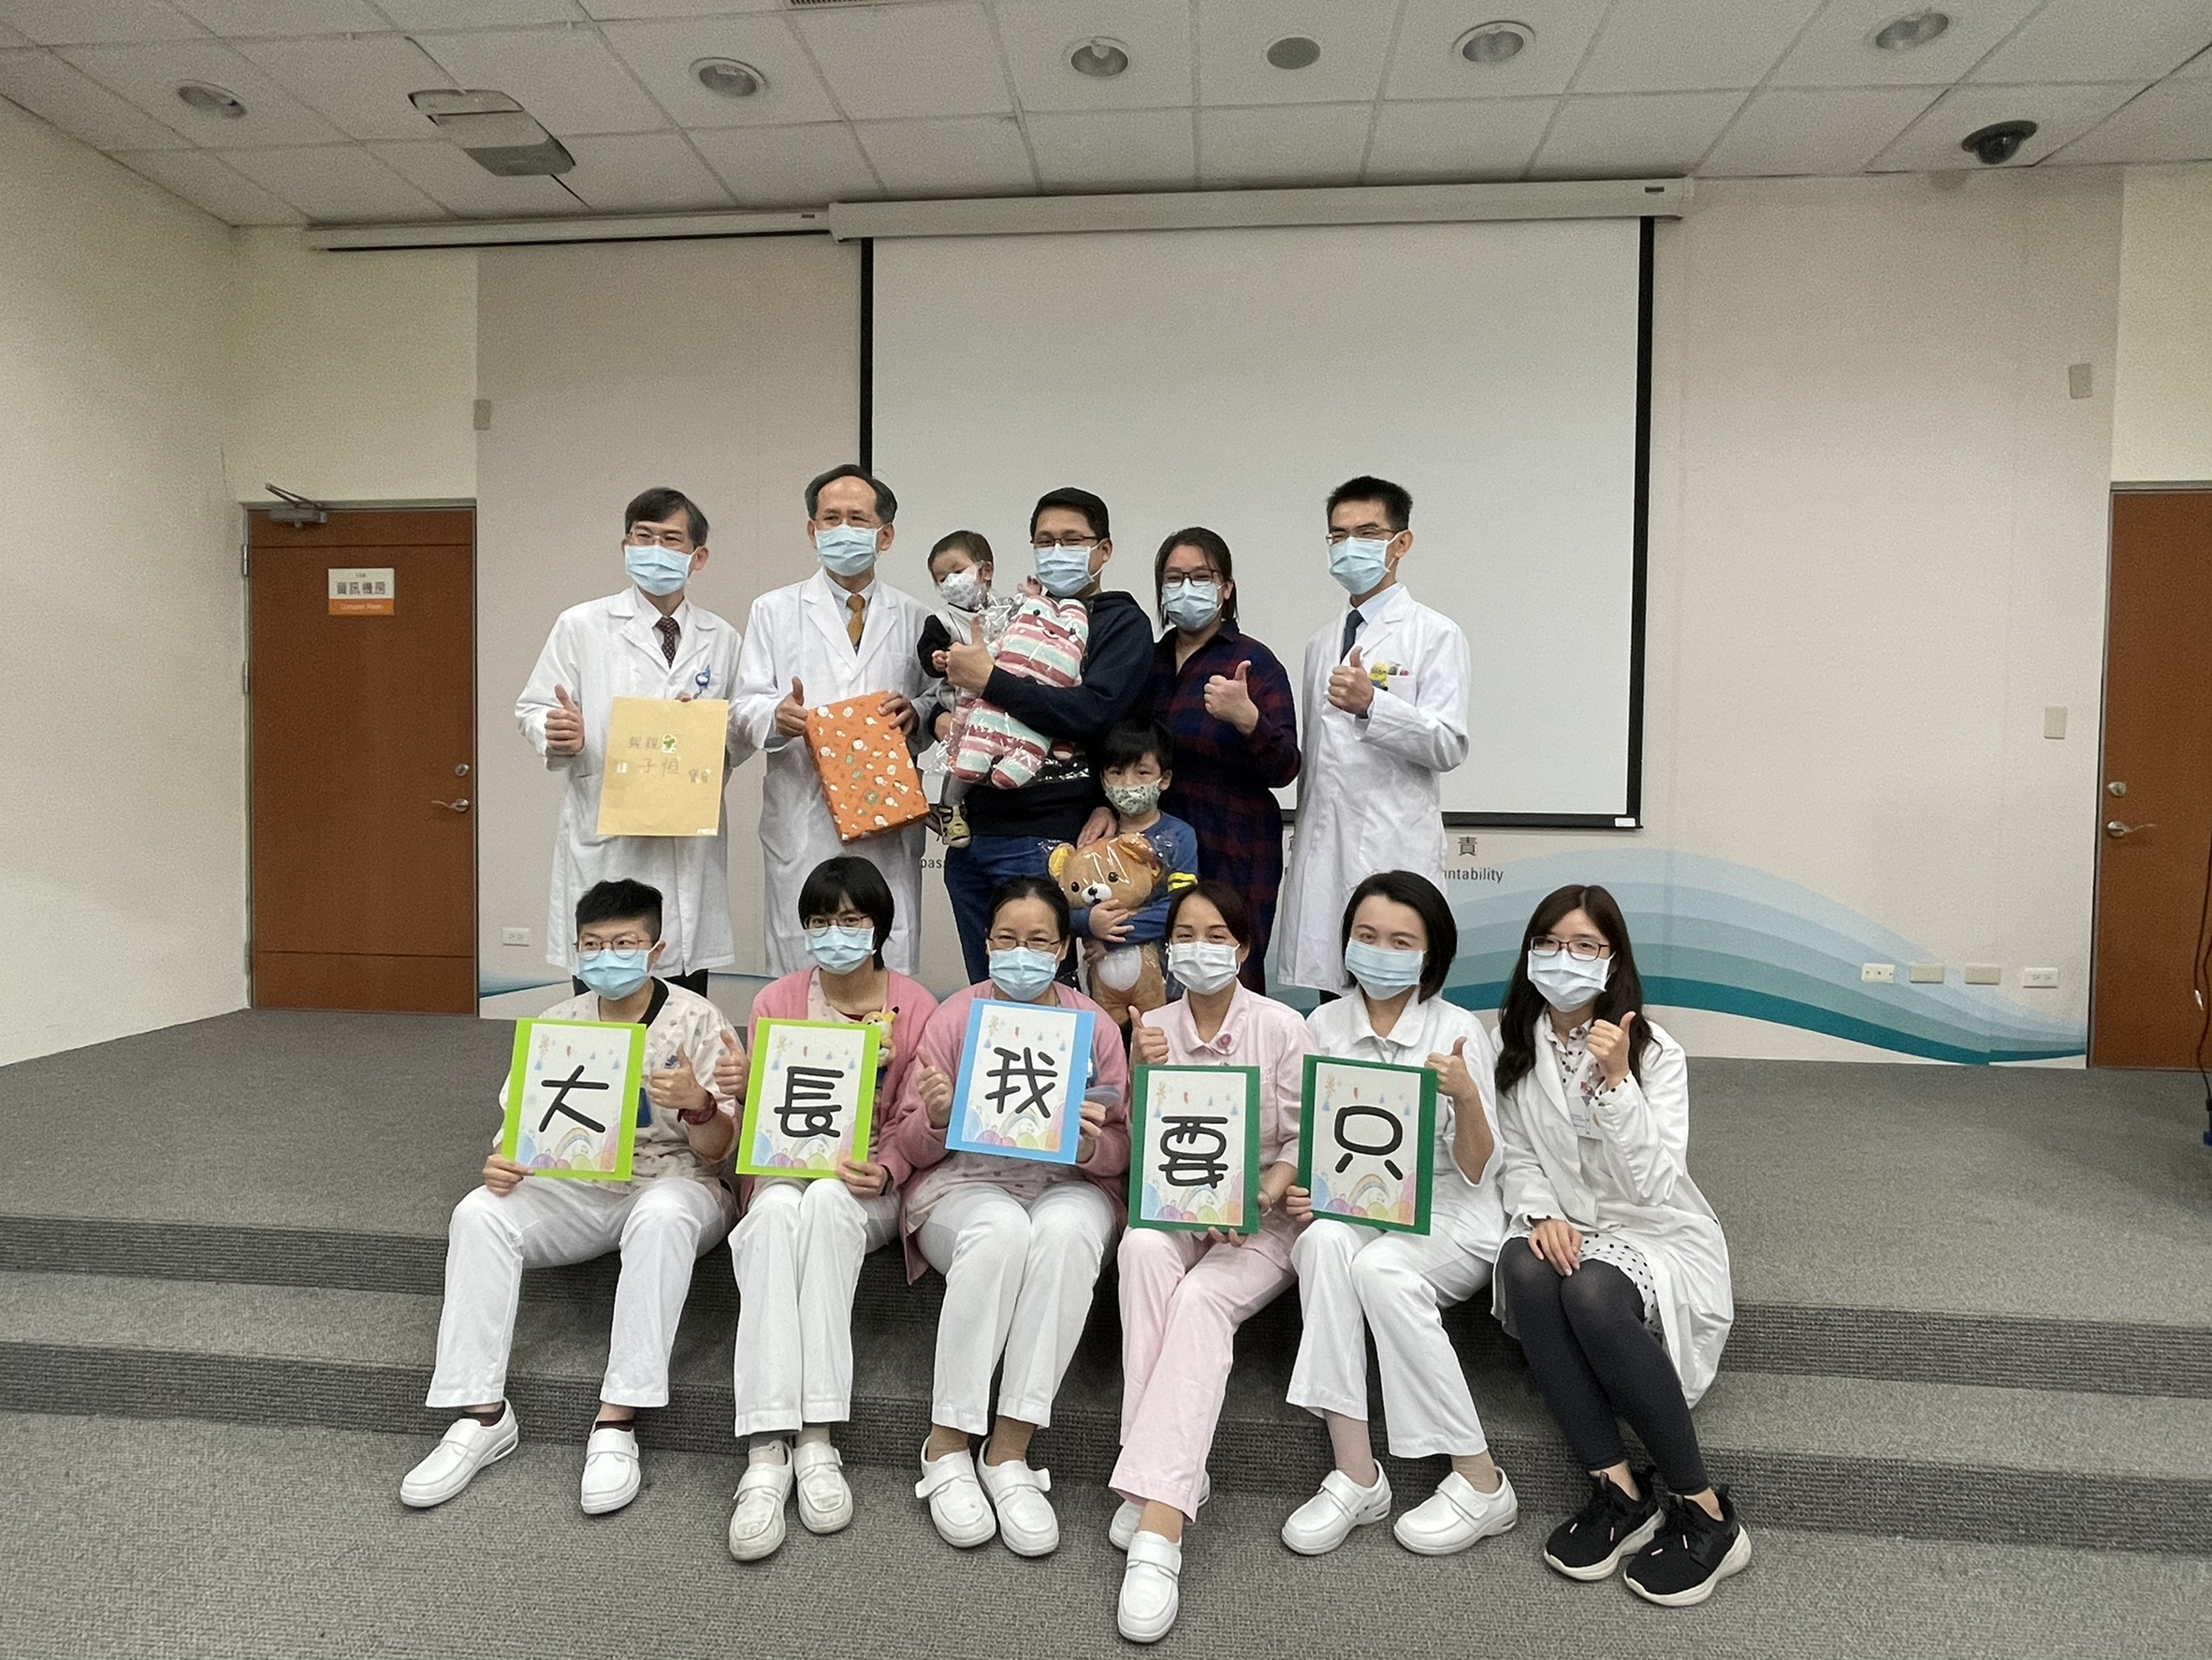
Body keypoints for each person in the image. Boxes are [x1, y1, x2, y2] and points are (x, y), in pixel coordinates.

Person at [402, 879, 737, 1517]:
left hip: (678, 1184)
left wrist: (697, 1104)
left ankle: (618, 1419)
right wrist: (504, 1166)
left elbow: (720, 1153)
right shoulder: (558, 1025)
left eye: (623, 944)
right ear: (576, 951)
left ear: (656, 949)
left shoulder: (697, 1020)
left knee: (663, 1216)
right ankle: (480, 1413)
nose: (606, 957)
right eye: (592, 945)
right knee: (478, 1212)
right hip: (578, 1190)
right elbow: (518, 1138)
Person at [1492, 884, 1747, 1607]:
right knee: (1523, 1265)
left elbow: (1654, 1183)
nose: (1562, 960)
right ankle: (1619, 1488)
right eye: (1548, 944)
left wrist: (1616, 1080)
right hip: (1569, 1220)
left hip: (1651, 1231)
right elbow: (1516, 1156)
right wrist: (1540, 1212)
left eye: (1584, 947)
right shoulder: (1510, 1039)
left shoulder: (1656, 1052)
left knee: (1593, 1291)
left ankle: (1706, 1511)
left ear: (1612, 961)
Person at [883, 875, 1131, 1556]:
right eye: (1006, 939)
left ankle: (1011, 1451)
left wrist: (1090, 1143)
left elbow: (1122, 1150)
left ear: (1062, 950)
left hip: (1064, 1185)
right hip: (963, 1187)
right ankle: (948, 1444)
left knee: (1067, 1229)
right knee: (1000, 1229)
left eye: (1039, 941)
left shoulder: (1096, 1026)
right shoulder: (956, 1016)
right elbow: (909, 1144)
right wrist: (935, 1119)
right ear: (987, 943)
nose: (1022, 952)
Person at [1280, 871, 1519, 1558]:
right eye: (1366, 936)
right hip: (1358, 1204)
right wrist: (1303, 1185)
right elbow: (1307, 1140)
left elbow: (1481, 1168)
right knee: (1323, 1241)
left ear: (1430, 953)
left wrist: (1468, 1098)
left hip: (1452, 1211)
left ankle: (1481, 1480)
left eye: (1400, 940)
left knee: (1384, 1271)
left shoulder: (1457, 1028)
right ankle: (1356, 1473)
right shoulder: (1321, 1025)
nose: (1380, 951)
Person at [717, 856, 939, 1562]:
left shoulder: (917, 1003)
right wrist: (745, 1087)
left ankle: (815, 1438)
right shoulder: (776, 999)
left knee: (826, 1211)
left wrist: (890, 1166)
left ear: (879, 928)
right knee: (777, 1217)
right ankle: (764, 1447)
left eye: (851, 921)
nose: (835, 934)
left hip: (864, 1183)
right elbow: (762, 1117)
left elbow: (914, 1116)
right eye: (820, 921)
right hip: (786, 1175)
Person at [1110, 882, 1312, 1643]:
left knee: (1200, 1301)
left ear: (1244, 948)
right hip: (1179, 1211)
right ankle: (1170, 1469)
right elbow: (1140, 1147)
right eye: (1184, 934)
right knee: (1138, 1249)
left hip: (1262, 1222)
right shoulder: (1152, 1024)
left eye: (1216, 934)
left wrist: (1260, 1190)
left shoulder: (1284, 1027)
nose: (1199, 947)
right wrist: (1138, 1070)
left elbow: (1304, 1142)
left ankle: (1158, 1528)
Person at [517, 488, 751, 996]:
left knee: (683, 1004)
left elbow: (741, 730)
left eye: (671, 539)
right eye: (644, 537)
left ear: (698, 557)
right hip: (608, 837)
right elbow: (533, 708)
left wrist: (709, 733)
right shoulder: (581, 625)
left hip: (687, 841)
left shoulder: (722, 638)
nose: (656, 550)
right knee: (607, 986)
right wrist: (556, 732)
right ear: (625, 546)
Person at [935, 488, 1155, 983]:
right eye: (1045, 540)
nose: (1058, 551)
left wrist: (990, 679)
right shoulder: (1015, 613)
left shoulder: (1121, 622)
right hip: (974, 831)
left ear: (1105, 550)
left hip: (1045, 831)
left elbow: (1093, 712)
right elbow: (974, 690)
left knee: (1045, 983)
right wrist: (940, 716)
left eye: (1072, 539)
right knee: (988, 985)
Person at [731, 465, 929, 975]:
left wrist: (918, 713)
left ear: (885, 535)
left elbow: (938, 702)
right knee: (802, 953)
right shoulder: (772, 610)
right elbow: (744, 706)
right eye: (830, 518)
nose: (842, 529)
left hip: (884, 819)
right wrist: (777, 716)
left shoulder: (916, 617)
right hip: (803, 810)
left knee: (887, 945)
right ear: (811, 529)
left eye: (857, 519)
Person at [1275, 476, 1468, 997]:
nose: (1348, 547)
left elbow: (1449, 743)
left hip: (1392, 844)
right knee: (1332, 1003)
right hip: (1324, 844)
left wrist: (1374, 706)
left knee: (1396, 997)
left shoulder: (1435, 634)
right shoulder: (1321, 643)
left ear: (1400, 543)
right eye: (1338, 536)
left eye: (1366, 532)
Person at [1140, 527, 1300, 991]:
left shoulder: (1254, 661)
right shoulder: (1146, 663)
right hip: (1155, 846)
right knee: (1152, 978)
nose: (1186, 587)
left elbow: (1285, 766)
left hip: (1234, 844)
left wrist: (1249, 719)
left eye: (1201, 576)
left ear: (1225, 587)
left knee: (1232, 971)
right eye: (1174, 578)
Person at [1074, 720, 1199, 1001]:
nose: (1128, 783)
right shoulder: (1092, 836)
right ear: (1103, 779)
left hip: (1165, 983)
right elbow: (1063, 902)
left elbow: (1181, 904)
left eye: (1142, 772)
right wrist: (1088, 921)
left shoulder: (1179, 836)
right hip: (1099, 978)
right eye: (1116, 772)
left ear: (1164, 779)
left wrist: (1113, 934)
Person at [913, 531, 1018, 842]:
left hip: (1007, 704)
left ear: (985, 571)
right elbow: (928, 654)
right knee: (966, 758)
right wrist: (939, 660)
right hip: (963, 705)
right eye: (940, 578)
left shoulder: (1011, 610)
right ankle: (950, 806)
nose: (949, 582)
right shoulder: (942, 620)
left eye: (957, 572)